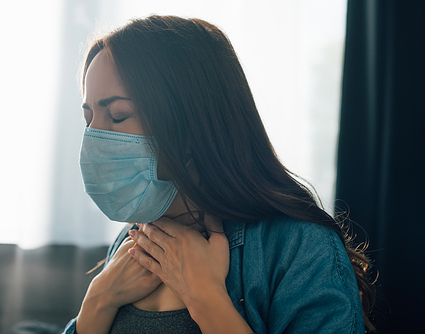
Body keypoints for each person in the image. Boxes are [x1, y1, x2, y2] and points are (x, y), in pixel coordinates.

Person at [63, 15, 375, 334]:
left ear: (191, 120)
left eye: (118, 115)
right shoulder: (134, 237)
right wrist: (98, 300)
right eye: (89, 119)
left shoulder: (297, 246)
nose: (95, 138)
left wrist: (207, 300)